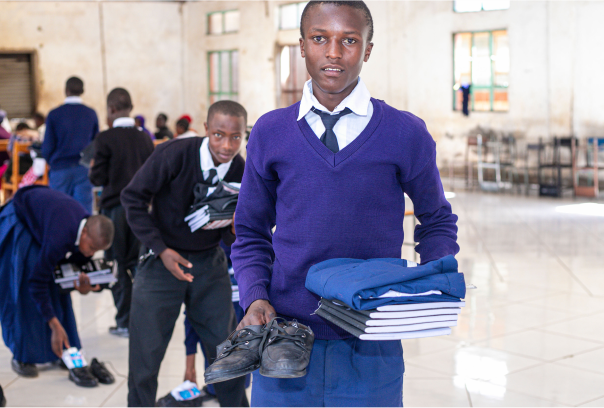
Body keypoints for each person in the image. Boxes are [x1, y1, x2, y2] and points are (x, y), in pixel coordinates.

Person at [231, 1, 459, 407]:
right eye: (320, 38)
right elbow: (250, 229)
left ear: (368, 49)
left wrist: (429, 283)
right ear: (302, 46)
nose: (333, 52)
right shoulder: (271, 131)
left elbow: (437, 218)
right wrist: (254, 296)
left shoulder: (405, 133)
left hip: (371, 345)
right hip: (284, 339)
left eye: (349, 41)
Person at [122, 100, 248, 408]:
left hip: (208, 264)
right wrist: (161, 249)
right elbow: (132, 198)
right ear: (206, 130)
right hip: (160, 262)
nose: (227, 145)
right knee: (145, 358)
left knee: (226, 356)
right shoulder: (174, 155)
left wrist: (233, 228)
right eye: (219, 135)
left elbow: (228, 234)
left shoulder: (241, 168)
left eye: (235, 137)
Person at [0, 185, 114, 384]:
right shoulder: (61, 235)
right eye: (92, 248)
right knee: (26, 287)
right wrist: (54, 323)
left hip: (45, 218)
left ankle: (65, 349)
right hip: (21, 216)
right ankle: (23, 355)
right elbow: (36, 282)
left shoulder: (83, 232)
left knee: (57, 285)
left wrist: (83, 285)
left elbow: (74, 263)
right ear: (85, 232)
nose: (91, 254)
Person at [89, 88, 155, 338]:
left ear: (111, 109)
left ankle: (124, 321)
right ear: (130, 106)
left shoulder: (104, 138)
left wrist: (94, 170)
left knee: (116, 265)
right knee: (139, 265)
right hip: (141, 211)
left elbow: (98, 176)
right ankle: (144, 320)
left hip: (115, 210)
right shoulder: (145, 138)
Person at [42, 76, 99, 213]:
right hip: (83, 169)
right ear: (83, 91)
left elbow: (47, 147)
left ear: (66, 90)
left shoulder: (54, 114)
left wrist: (52, 161)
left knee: (58, 210)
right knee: (83, 211)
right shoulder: (91, 114)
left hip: (60, 169)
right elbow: (96, 143)